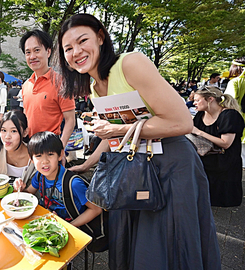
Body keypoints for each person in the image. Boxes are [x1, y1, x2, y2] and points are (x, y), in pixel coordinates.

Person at [58, 14, 221, 269]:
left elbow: (182, 123)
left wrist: (114, 128)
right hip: (132, 170)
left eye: (82, 41)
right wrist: (86, 164)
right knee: (139, 248)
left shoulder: (130, 64)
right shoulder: (93, 87)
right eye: (68, 48)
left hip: (170, 167)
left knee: (168, 246)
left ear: (100, 37)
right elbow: (112, 137)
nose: (76, 51)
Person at [13, 131, 102, 227]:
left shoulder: (73, 183)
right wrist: (18, 189)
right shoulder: (39, 176)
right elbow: (28, 194)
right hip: (50, 223)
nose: (45, 161)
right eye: (38, 156)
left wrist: (68, 226)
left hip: (72, 228)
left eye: (50, 154)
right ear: (31, 159)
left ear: (60, 155)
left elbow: (96, 209)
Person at [19, 29, 75, 148]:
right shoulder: (26, 85)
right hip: (29, 146)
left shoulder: (61, 82)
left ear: (48, 52)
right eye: (28, 52)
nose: (32, 56)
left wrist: (61, 148)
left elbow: (70, 120)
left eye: (37, 50)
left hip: (50, 147)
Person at [192, 87, 244, 207]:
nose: (194, 103)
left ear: (210, 99)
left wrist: (200, 132)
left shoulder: (230, 115)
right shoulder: (200, 115)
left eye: (197, 100)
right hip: (207, 159)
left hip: (225, 162)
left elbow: (226, 143)